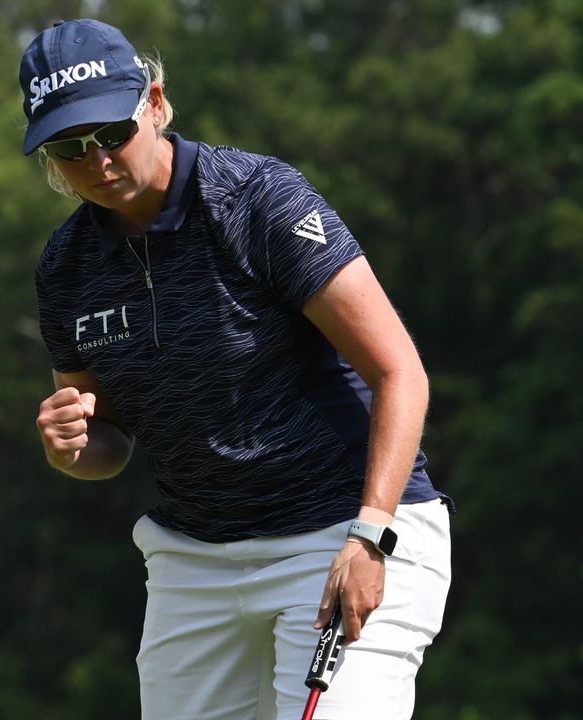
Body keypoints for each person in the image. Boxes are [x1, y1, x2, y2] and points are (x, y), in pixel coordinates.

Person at [23, 18, 453, 720]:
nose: (97, 161)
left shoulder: (256, 200)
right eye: (70, 149)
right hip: (195, 561)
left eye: (111, 134)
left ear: (154, 103)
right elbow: (106, 445)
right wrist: (70, 445)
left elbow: (399, 371)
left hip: (341, 531)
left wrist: (372, 535)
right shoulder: (66, 268)